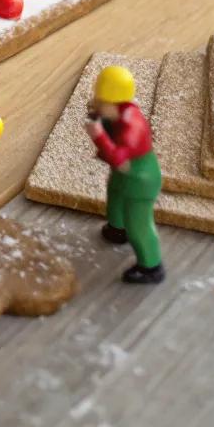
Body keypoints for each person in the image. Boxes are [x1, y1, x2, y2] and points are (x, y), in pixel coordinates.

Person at [85, 64, 165, 284]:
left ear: (112, 103)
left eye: (100, 102)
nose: (96, 104)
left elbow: (120, 161)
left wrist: (98, 135)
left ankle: (151, 266)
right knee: (115, 198)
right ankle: (117, 230)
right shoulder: (117, 114)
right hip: (125, 176)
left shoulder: (132, 125)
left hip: (140, 178)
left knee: (138, 223)